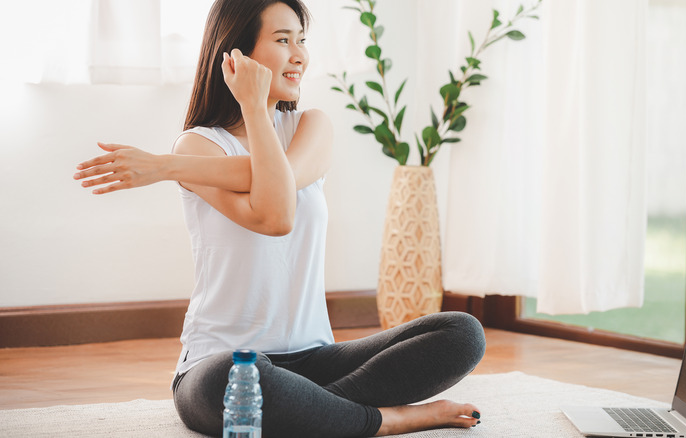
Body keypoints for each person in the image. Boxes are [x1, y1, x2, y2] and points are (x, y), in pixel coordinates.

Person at [73, 0, 486, 436]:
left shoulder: (313, 127)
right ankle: (385, 420)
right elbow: (274, 216)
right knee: (230, 382)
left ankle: (314, 412)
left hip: (316, 361)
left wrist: (163, 168)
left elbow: (278, 186)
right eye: (283, 40)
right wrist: (239, 115)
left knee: (461, 333)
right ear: (236, 56)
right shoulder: (197, 147)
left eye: (302, 40)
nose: (300, 55)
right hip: (223, 363)